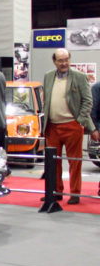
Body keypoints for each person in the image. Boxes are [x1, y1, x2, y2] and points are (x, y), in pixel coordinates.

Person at [41, 48, 99, 204]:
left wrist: (79, 120)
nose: (64, 63)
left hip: (72, 125)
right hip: (52, 127)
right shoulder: (48, 77)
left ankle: (75, 193)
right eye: (60, 60)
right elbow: (45, 99)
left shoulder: (79, 77)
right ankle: (55, 191)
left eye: (66, 59)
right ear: (54, 61)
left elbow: (88, 101)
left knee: (75, 161)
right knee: (53, 162)